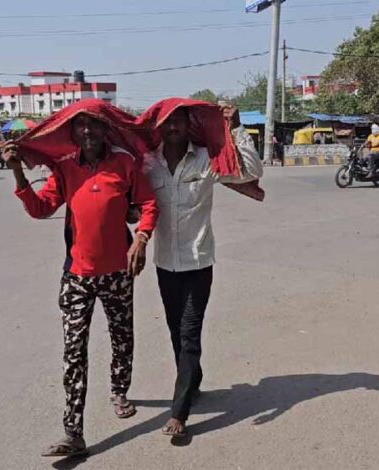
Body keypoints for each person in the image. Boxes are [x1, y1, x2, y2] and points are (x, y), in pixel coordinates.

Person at [1, 100, 158, 457]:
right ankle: (73, 432)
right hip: (77, 276)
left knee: (122, 337)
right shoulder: (65, 168)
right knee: (74, 351)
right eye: (80, 125)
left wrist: (141, 238)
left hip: (118, 272)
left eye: (94, 124)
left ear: (106, 129)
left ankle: (119, 390)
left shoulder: (125, 164)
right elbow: (40, 209)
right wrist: (18, 173)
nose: (88, 131)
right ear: (71, 132)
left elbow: (149, 204)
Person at [137, 99, 263, 438]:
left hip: (198, 262)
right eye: (167, 122)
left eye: (179, 120)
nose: (173, 127)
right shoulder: (149, 164)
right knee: (175, 332)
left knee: (190, 334)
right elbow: (136, 200)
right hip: (165, 264)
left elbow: (252, 171)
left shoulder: (207, 159)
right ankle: (193, 379)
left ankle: (179, 413)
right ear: (159, 127)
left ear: (188, 124)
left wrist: (237, 128)